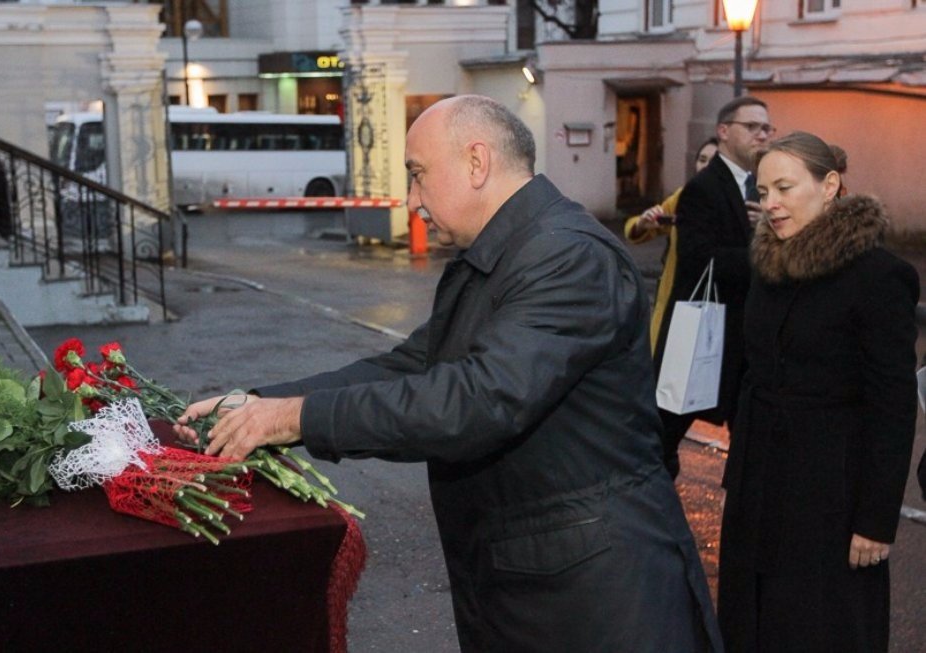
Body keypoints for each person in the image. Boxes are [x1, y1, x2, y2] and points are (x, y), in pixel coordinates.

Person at [174, 95, 722, 652]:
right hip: (537, 582)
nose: (412, 201)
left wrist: (295, 418)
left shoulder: (568, 257)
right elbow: (409, 366)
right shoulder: (506, 252)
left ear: (477, 162)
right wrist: (260, 403)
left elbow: (479, 400)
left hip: (595, 598)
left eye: (418, 176)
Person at [717, 132, 920, 652]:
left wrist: (876, 520)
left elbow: (892, 407)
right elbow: (752, 373)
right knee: (752, 626)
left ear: (829, 185)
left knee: (821, 629)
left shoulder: (879, 277)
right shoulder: (767, 265)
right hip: (758, 489)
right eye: (763, 192)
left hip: (831, 498)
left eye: (784, 187)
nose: (771, 204)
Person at [655, 96, 775, 479]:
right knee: (661, 440)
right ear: (724, 132)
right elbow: (698, 260)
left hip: (747, 340)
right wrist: (764, 251)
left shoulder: (762, 187)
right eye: (752, 127)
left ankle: (745, 525)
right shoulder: (704, 188)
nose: (762, 135)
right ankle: (650, 520)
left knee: (752, 452)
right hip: (707, 336)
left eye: (767, 128)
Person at [623, 137, 718, 353]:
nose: (705, 166)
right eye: (702, 159)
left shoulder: (738, 198)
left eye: (713, 161)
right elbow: (637, 230)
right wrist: (642, 222)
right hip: (678, 294)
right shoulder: (685, 196)